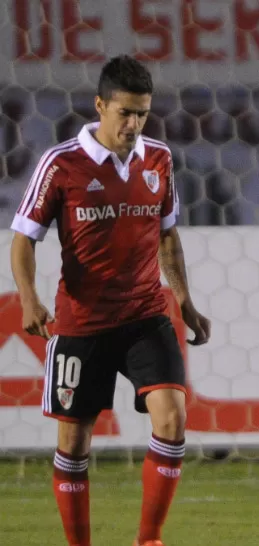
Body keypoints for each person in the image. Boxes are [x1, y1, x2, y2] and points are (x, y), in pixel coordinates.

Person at [9, 55, 211, 546]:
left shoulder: (158, 158)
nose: (134, 124)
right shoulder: (62, 164)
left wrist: (183, 300)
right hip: (83, 323)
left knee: (173, 418)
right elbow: (23, 237)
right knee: (74, 442)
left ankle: (149, 540)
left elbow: (168, 236)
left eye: (142, 113)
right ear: (100, 106)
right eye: (125, 113)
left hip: (145, 315)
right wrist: (29, 299)